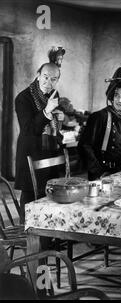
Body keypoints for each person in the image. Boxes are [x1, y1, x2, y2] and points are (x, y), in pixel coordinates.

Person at [14, 62, 65, 220]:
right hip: (31, 152)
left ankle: (46, 238)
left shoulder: (53, 94)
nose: (49, 82)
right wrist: (47, 111)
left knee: (49, 197)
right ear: (38, 75)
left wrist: (60, 118)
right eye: (45, 77)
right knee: (30, 196)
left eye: (54, 79)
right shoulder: (23, 98)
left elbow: (52, 124)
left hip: (49, 152)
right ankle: (27, 236)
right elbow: (29, 129)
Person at [79, 80, 121, 181]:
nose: (119, 100)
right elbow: (84, 146)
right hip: (101, 175)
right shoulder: (99, 117)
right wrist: (99, 172)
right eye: (116, 95)